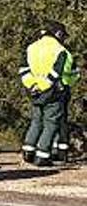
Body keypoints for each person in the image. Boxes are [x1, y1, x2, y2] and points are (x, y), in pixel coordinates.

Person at [20, 21, 79, 166]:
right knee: (51, 123)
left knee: (36, 121)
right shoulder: (61, 50)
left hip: (33, 91)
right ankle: (42, 156)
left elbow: (23, 69)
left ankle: (28, 152)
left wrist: (32, 85)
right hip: (53, 91)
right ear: (58, 34)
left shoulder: (31, 48)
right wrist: (44, 86)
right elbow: (57, 72)